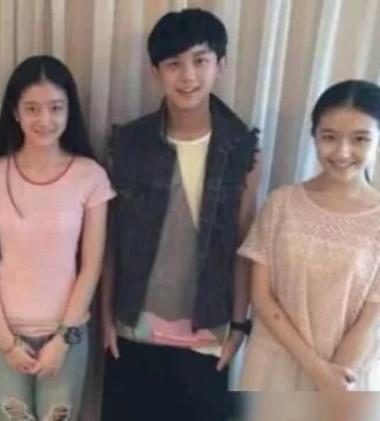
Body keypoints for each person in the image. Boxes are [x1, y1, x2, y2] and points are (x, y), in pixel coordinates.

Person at [100, 8, 260, 420]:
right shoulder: (129, 143)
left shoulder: (242, 148)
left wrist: (239, 327)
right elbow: (111, 240)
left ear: (221, 64)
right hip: (133, 326)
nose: (188, 75)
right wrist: (105, 319)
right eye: (174, 63)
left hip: (208, 330)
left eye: (200, 60)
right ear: (155, 72)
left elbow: (245, 245)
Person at [0, 55, 114, 421]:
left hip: (67, 335)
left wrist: (63, 339)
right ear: (15, 112)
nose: (44, 120)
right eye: (32, 108)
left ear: (69, 111)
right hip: (4, 333)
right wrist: (6, 341)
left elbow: (92, 266)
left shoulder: (90, 176)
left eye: (55, 108)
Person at [238, 80, 380, 392]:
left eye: (360, 139)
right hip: (274, 364)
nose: (343, 152)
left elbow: (372, 317)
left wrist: (332, 381)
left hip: (347, 374)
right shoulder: (281, 203)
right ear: (314, 136)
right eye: (329, 137)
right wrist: (315, 369)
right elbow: (261, 297)